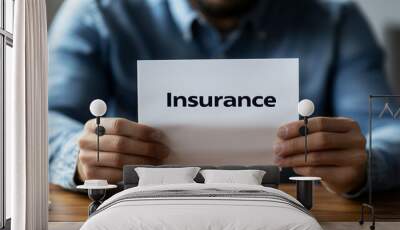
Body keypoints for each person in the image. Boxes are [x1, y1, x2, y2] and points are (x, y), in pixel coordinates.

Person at [48, 0, 399, 197]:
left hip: (295, 215)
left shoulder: (337, 19)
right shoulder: (97, 11)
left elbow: (385, 128)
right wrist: (80, 158)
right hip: (137, 211)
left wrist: (363, 164)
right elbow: (44, 118)